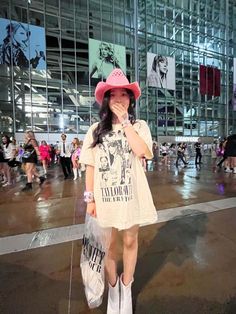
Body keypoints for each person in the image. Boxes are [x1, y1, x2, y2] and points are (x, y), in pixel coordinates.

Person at [79, 68, 157, 314]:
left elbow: (142, 151)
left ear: (131, 99)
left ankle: (127, 285)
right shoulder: (95, 130)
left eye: (125, 94)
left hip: (132, 196)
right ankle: (113, 287)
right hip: (105, 199)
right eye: (114, 95)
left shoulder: (139, 125)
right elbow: (89, 165)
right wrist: (89, 198)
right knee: (110, 246)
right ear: (106, 99)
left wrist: (125, 124)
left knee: (131, 240)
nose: (120, 99)